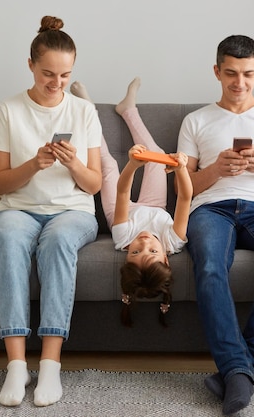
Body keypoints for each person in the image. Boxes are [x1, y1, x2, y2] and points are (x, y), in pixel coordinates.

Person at [176, 35, 254, 415]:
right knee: (211, 266)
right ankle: (239, 369)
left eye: (248, 74)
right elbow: (182, 188)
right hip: (211, 209)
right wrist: (215, 169)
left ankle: (236, 370)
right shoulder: (195, 120)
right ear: (217, 72)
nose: (240, 83)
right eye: (231, 73)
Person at [0, 16, 102, 408]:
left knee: (56, 241)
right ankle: (16, 365)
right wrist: (33, 165)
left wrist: (72, 164)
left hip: (72, 211)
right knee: (6, 235)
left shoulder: (84, 111)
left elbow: (94, 185)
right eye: (47, 74)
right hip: (17, 208)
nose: (56, 83)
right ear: (31, 65)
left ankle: (50, 364)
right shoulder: (8, 110)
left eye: (65, 75)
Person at [70, 78, 192, 327]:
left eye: (135, 252)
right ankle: (128, 110)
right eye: (152, 251)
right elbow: (185, 197)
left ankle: (87, 108)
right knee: (157, 156)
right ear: (167, 257)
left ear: (126, 256)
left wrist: (133, 164)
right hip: (155, 206)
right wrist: (180, 168)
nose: (144, 243)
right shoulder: (174, 240)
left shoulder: (123, 237)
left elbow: (122, 192)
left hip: (119, 209)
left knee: (108, 164)